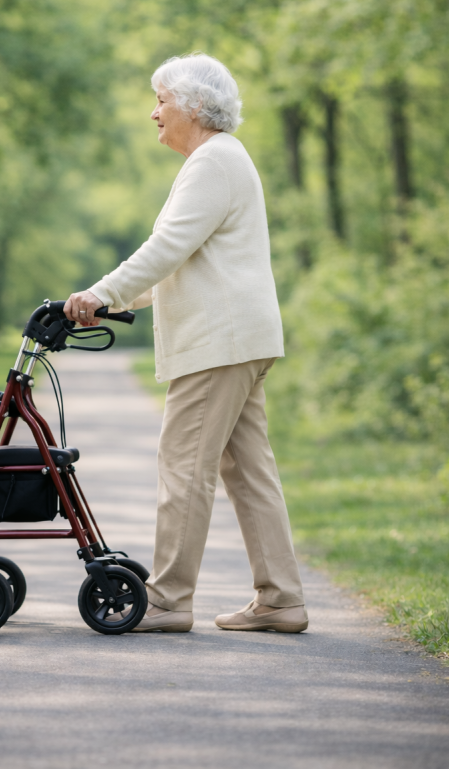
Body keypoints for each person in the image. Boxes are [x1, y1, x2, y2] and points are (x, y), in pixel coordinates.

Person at [64, 53, 307, 634]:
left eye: (162, 101)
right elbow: (182, 262)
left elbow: (166, 248)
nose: (154, 114)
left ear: (194, 106)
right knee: (249, 472)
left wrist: (99, 292)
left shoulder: (213, 162)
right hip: (239, 341)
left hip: (218, 344)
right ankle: (281, 599)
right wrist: (114, 300)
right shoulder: (222, 160)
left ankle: (169, 599)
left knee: (183, 469)